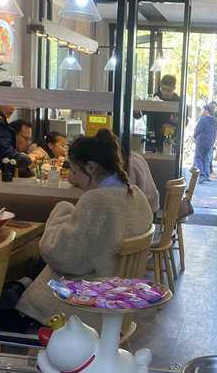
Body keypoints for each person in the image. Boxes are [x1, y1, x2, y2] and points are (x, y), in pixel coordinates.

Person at [16, 129, 154, 324]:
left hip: (91, 301)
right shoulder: (135, 195)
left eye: (74, 172)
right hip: (123, 295)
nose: (73, 179)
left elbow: (61, 257)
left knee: (21, 301)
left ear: (90, 168)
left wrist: (60, 212)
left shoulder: (96, 201)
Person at [135, 74, 180, 151]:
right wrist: (137, 110)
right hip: (152, 139)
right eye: (163, 89)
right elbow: (138, 115)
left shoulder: (179, 102)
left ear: (174, 89)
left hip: (171, 141)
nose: (165, 92)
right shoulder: (154, 99)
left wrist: (175, 122)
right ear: (160, 86)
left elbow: (184, 122)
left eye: (168, 90)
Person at [193, 103, 217, 183]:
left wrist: (195, 136)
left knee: (197, 158)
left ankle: (202, 175)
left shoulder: (203, 119)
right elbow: (215, 133)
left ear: (206, 111)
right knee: (205, 159)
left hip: (201, 141)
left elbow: (197, 130)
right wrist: (212, 142)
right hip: (209, 142)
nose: (202, 111)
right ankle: (206, 175)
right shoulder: (214, 120)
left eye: (203, 110)